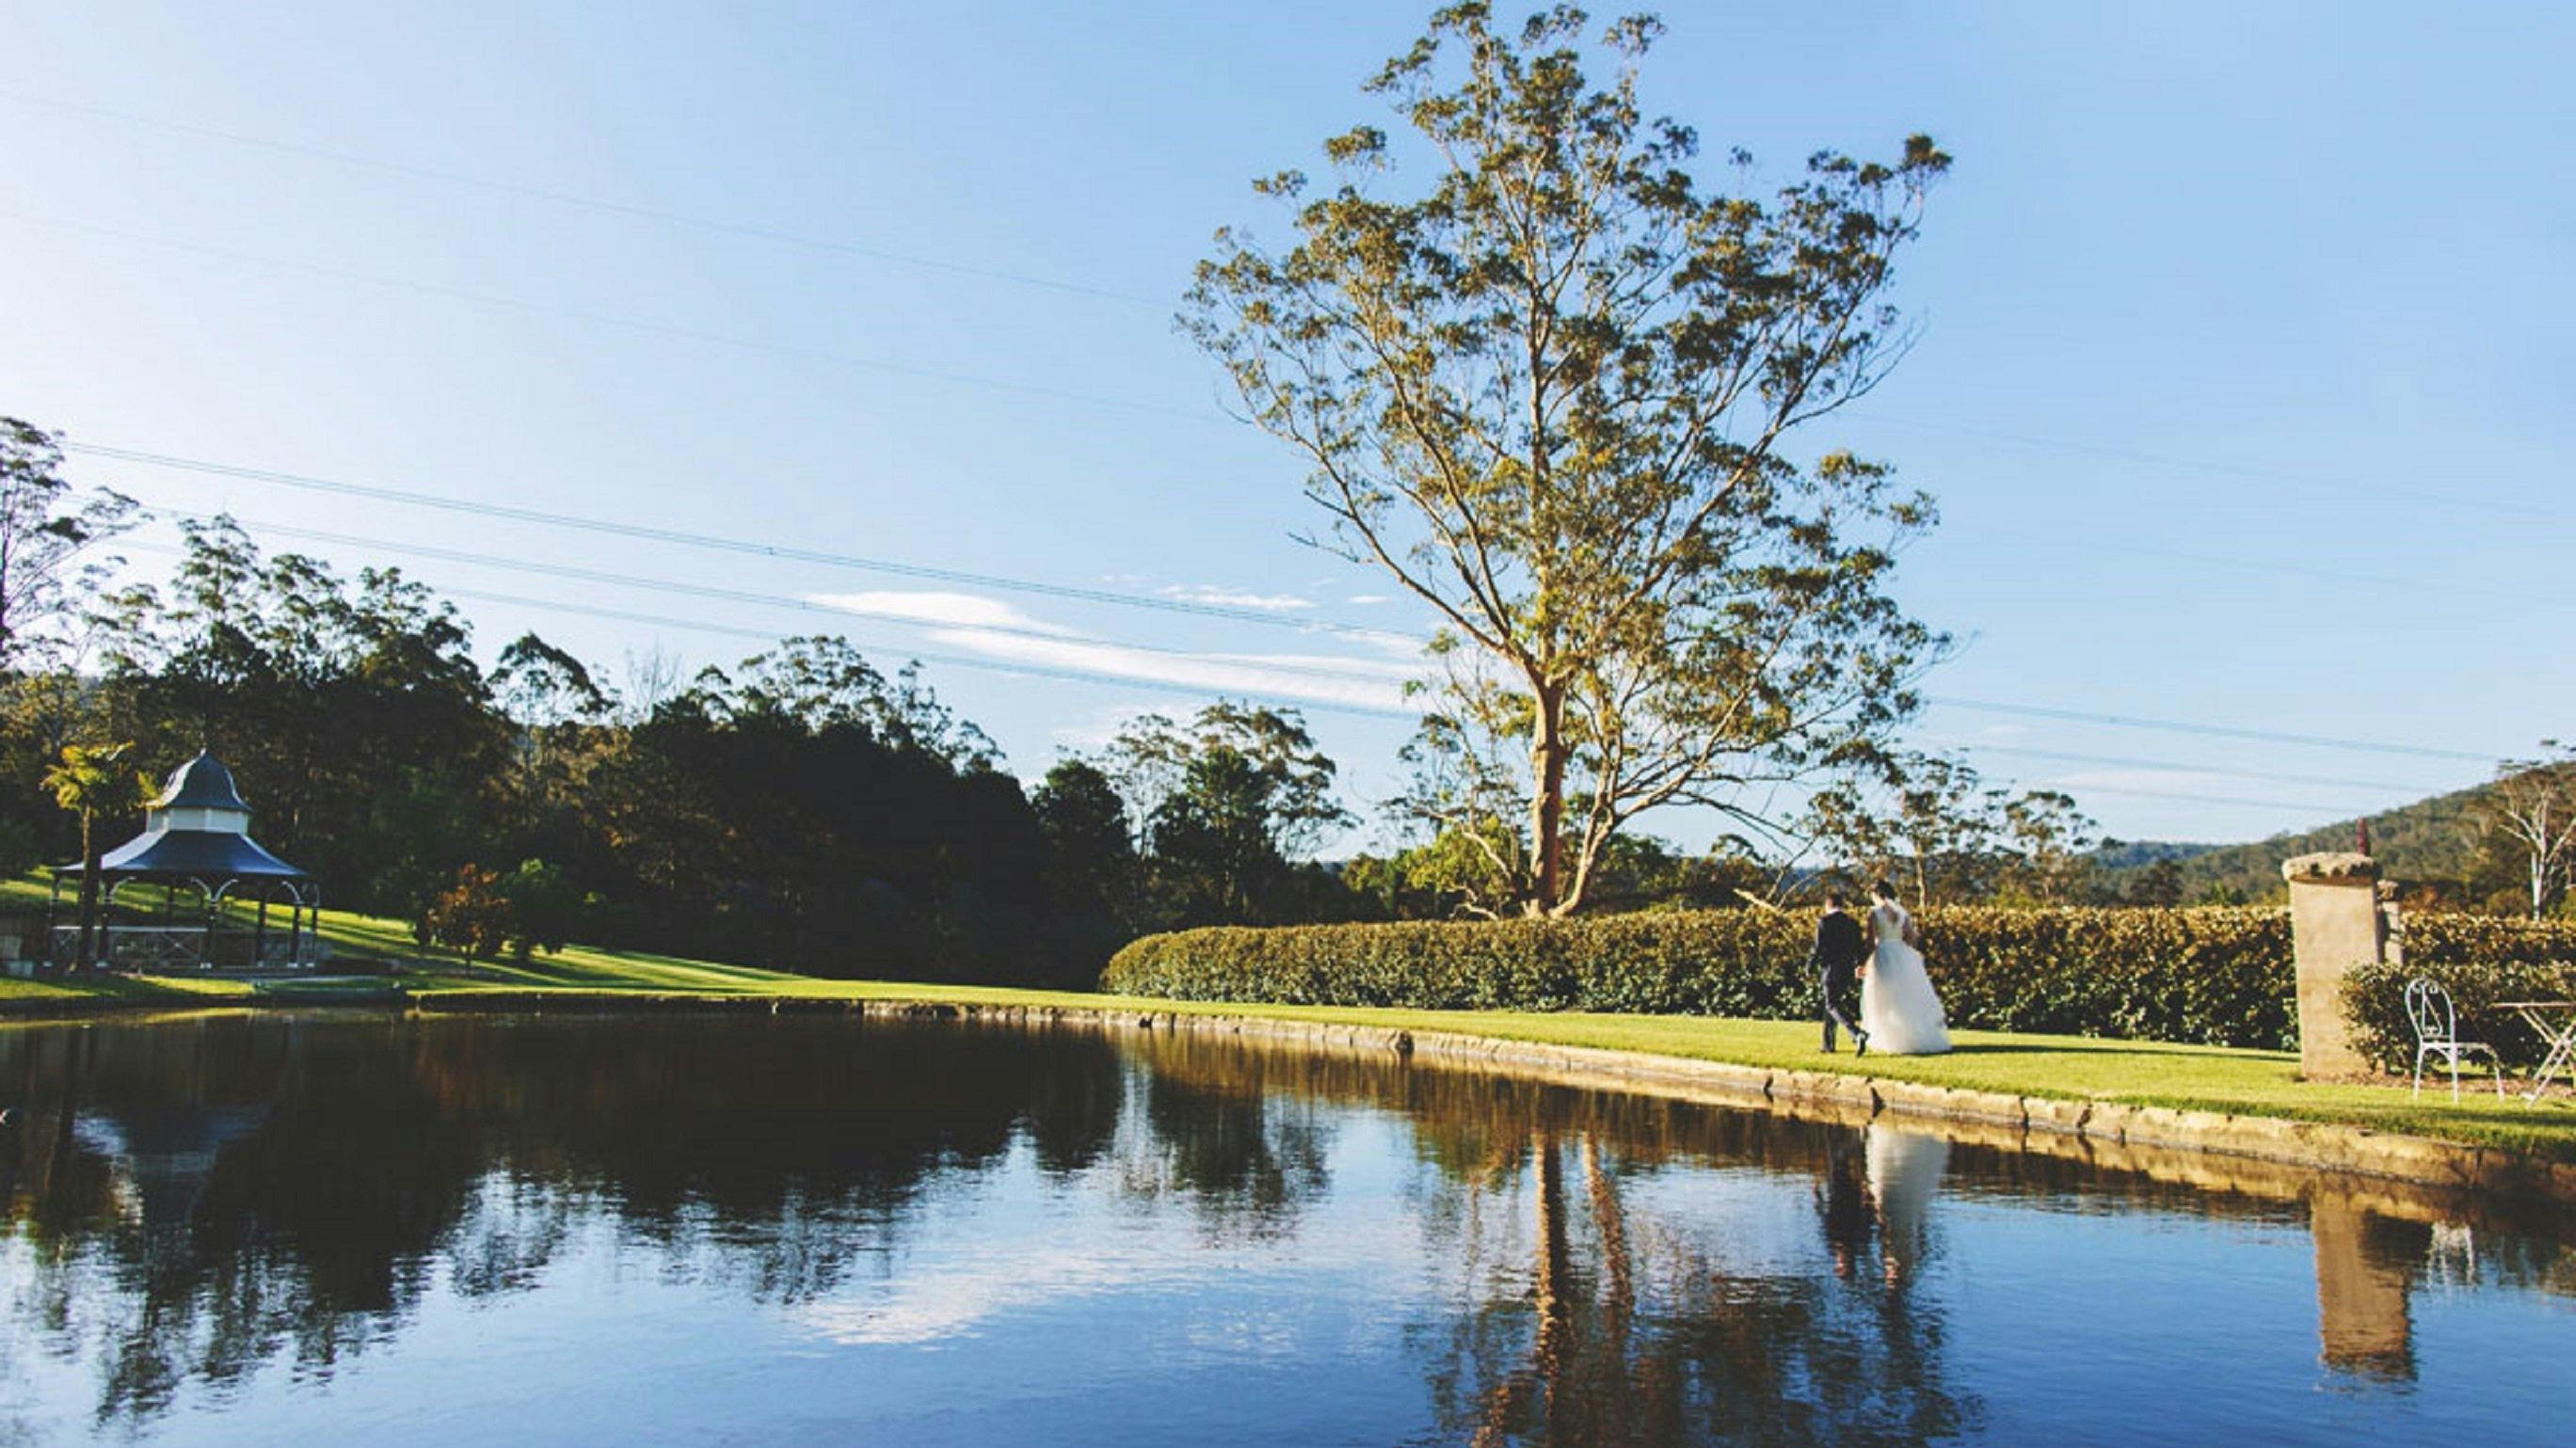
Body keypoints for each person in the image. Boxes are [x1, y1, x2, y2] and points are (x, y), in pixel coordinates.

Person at [1859, 879, 1950, 1056]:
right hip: (1901, 954)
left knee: (1882, 997)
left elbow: (1870, 941)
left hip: (1883, 953)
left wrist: (1864, 963)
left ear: (1877, 895)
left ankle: (1888, 1039)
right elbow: (1910, 937)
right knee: (1903, 996)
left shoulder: (1875, 913)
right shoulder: (1902, 912)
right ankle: (1910, 1037)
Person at [1809, 888, 1870, 1055]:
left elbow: (1818, 947)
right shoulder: (1852, 923)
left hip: (1830, 968)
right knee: (1832, 1004)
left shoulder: (1824, 922)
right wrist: (1860, 964)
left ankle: (1856, 1033)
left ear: (1828, 905)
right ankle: (1827, 1045)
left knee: (1831, 1004)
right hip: (1847, 968)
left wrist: (1810, 965)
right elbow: (1860, 948)